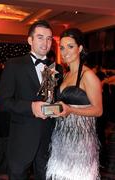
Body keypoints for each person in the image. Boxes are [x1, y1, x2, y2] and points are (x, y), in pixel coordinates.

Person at [0, 20, 61, 180]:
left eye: (49, 38)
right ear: (30, 40)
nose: (45, 42)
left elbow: (48, 98)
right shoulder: (14, 65)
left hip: (46, 138)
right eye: (40, 37)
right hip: (21, 139)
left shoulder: (53, 67)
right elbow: (3, 102)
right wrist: (31, 107)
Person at [46, 28, 103, 180]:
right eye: (62, 47)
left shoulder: (88, 75)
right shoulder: (64, 75)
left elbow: (98, 110)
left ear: (80, 48)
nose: (65, 52)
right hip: (60, 138)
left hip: (81, 142)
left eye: (70, 46)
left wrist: (71, 109)